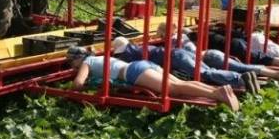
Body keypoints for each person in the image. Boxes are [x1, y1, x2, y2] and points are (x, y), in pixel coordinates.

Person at [65, 46, 240, 111]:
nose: (72, 66)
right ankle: (218, 90)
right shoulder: (99, 58)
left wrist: (71, 93)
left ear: (77, 58)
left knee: (172, 90)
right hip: (142, 65)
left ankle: (217, 94)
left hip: (133, 72)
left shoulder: (87, 62)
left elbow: (78, 83)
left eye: (71, 63)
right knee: (180, 83)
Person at [112, 36, 262, 94]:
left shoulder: (126, 54)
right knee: (208, 71)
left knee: (205, 73)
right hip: (179, 53)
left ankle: (240, 79)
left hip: (175, 57)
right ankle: (243, 78)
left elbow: (124, 69)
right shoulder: (137, 47)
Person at [156, 23, 279, 83]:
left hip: (208, 58)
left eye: (161, 36)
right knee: (241, 67)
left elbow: (190, 55)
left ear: (163, 34)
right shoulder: (184, 37)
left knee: (215, 74)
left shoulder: (174, 43)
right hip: (212, 53)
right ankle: (275, 73)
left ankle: (242, 80)